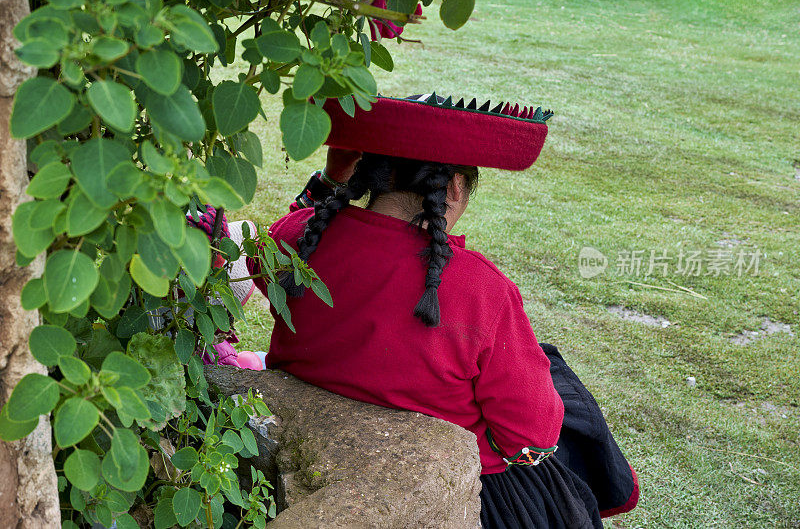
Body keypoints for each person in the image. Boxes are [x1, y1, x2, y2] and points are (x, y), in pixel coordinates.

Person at [245, 94, 639, 527]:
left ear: (368, 171)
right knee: (566, 402)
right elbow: (530, 436)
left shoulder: (299, 240)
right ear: (454, 187)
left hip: (315, 426)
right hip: (464, 481)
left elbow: (264, 258)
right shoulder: (483, 289)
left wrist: (329, 180)